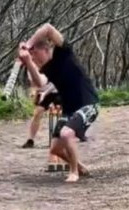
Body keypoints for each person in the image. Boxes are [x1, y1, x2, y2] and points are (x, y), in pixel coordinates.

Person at [18, 23, 99, 183]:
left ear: (45, 49)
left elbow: (48, 28)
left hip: (88, 104)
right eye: (32, 57)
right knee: (55, 148)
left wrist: (28, 44)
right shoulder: (46, 69)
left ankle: (74, 172)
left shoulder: (63, 52)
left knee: (66, 133)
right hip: (69, 109)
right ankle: (80, 166)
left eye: (35, 55)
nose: (34, 59)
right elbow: (40, 83)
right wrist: (28, 62)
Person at [22, 71, 61, 148]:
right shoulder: (31, 69)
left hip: (57, 90)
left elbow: (57, 81)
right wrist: (35, 93)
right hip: (44, 93)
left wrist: (45, 93)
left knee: (59, 111)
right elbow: (34, 84)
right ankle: (30, 140)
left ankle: (61, 138)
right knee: (37, 112)